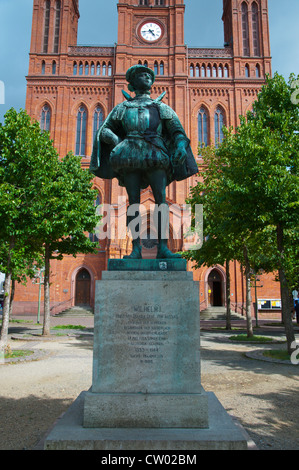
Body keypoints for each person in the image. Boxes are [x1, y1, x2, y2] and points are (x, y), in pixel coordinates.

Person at [90, 65, 198, 259]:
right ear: (132, 83)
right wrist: (118, 142)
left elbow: (178, 132)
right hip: (129, 157)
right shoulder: (122, 108)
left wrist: (181, 146)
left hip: (156, 156)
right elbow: (104, 130)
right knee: (133, 203)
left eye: (149, 75)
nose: (147, 76)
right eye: (141, 75)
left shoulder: (161, 107)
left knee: (161, 202)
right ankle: (136, 248)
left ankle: (163, 247)